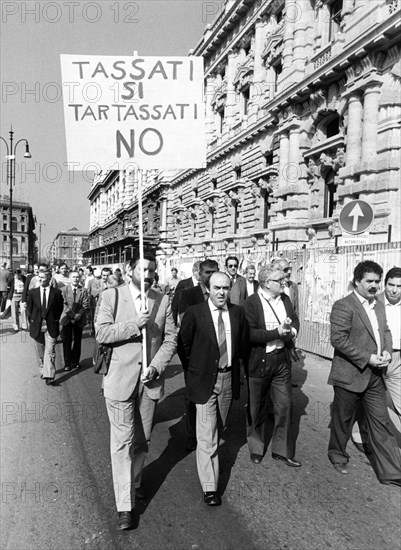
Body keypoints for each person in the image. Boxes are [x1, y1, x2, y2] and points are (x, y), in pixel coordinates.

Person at [95, 252, 177, 530]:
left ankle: (136, 480)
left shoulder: (162, 299)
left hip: (148, 381)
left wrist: (156, 366)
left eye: (152, 270)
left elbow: (170, 339)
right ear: (130, 270)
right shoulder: (111, 296)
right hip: (119, 380)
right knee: (121, 443)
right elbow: (102, 333)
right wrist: (135, 325)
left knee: (141, 441)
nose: (149, 274)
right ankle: (124, 506)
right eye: (143, 269)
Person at [328, 260, 401, 486]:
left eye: (377, 281)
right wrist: (367, 357)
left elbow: (385, 332)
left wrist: (387, 351)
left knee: (381, 422)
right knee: (343, 420)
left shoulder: (377, 305)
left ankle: (391, 471)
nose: (374, 286)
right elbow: (338, 339)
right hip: (350, 374)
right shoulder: (344, 305)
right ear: (357, 281)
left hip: (375, 376)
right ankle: (337, 455)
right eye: (369, 281)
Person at [179, 271, 249, 506]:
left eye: (226, 288)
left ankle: (209, 461)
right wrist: (196, 372)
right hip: (204, 382)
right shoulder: (195, 313)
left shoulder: (238, 314)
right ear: (207, 288)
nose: (222, 292)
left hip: (227, 380)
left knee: (219, 428)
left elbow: (243, 345)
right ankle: (210, 487)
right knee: (207, 436)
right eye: (217, 288)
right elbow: (184, 346)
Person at [243, 265, 301, 467]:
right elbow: (250, 334)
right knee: (256, 408)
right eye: (279, 280)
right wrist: (277, 333)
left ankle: (281, 450)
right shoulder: (251, 303)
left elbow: (294, 320)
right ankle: (256, 447)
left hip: (281, 360)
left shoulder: (285, 299)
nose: (284, 282)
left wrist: (291, 331)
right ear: (267, 283)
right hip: (259, 361)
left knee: (284, 405)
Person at [177, 259, 219, 451]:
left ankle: (210, 432)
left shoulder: (221, 293)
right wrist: (188, 359)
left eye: (215, 272)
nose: (211, 276)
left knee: (212, 394)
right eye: (208, 273)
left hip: (216, 356)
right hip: (193, 356)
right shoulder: (188, 295)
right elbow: (184, 330)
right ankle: (192, 434)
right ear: (200, 275)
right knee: (193, 395)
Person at [26, 267, 63, 386]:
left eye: (43, 277)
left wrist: (54, 319)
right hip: (37, 325)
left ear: (49, 278)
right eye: (39, 277)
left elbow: (59, 308)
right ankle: (43, 368)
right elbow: (29, 310)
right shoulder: (33, 293)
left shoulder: (56, 293)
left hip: (51, 325)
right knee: (40, 350)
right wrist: (32, 321)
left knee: (50, 350)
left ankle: (49, 375)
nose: (41, 280)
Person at [60, 270, 89, 371]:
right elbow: (63, 304)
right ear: (69, 278)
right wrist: (72, 315)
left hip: (79, 319)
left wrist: (78, 315)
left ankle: (75, 362)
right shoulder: (64, 290)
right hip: (67, 318)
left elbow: (85, 304)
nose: (76, 279)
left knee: (77, 341)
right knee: (67, 341)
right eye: (73, 277)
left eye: (77, 277)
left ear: (80, 278)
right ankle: (67, 363)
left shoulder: (84, 290)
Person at [171, 260, 201, 325]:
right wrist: (174, 325)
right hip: (186, 323)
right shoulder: (183, 284)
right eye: (200, 272)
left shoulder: (206, 285)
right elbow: (175, 305)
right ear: (194, 272)